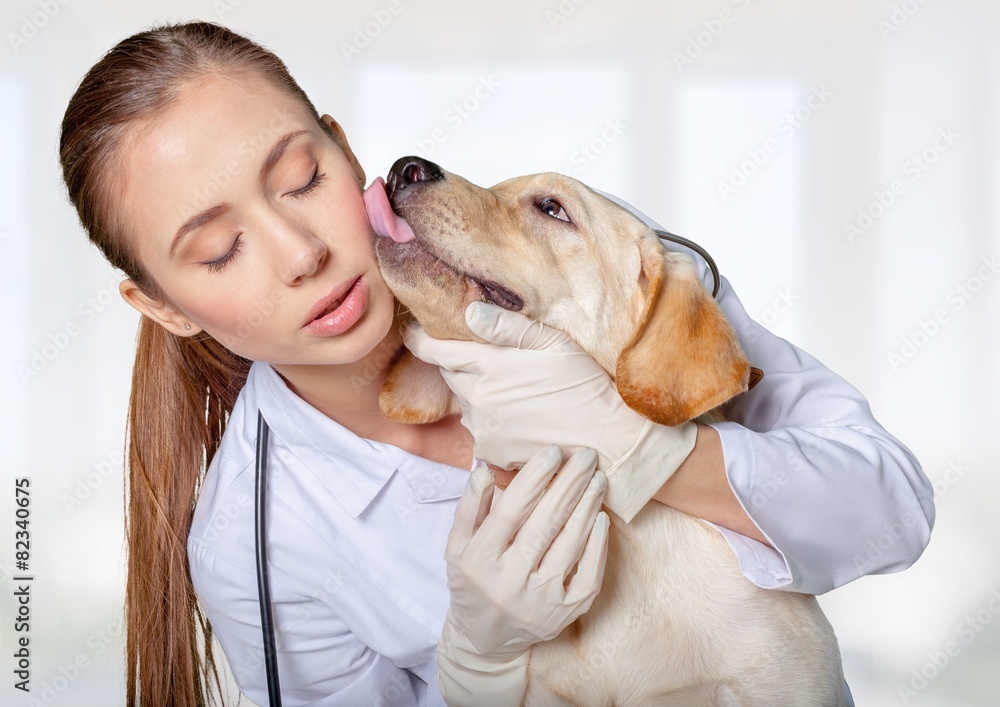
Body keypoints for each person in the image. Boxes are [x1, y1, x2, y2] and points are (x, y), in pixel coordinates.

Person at [58, 20, 933, 707]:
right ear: (163, 306)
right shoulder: (257, 543)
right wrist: (477, 668)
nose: (301, 253)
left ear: (343, 148)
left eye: (301, 179)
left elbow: (890, 509)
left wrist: (645, 445)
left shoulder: (576, 251)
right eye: (218, 250)